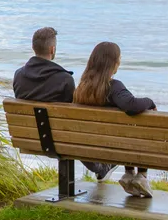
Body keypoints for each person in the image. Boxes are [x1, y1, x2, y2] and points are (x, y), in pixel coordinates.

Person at [13, 27, 114, 181]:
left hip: (30, 138)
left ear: (34, 47)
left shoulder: (19, 75)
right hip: (62, 140)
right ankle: (100, 168)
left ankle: (100, 169)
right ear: (52, 49)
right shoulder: (64, 79)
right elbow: (72, 117)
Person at [73, 41, 156, 198]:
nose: (120, 62)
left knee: (126, 129)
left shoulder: (81, 88)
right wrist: (150, 102)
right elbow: (131, 105)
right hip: (114, 147)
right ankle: (141, 175)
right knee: (140, 126)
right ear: (112, 63)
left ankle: (129, 173)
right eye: (119, 58)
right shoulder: (113, 87)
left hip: (89, 145)